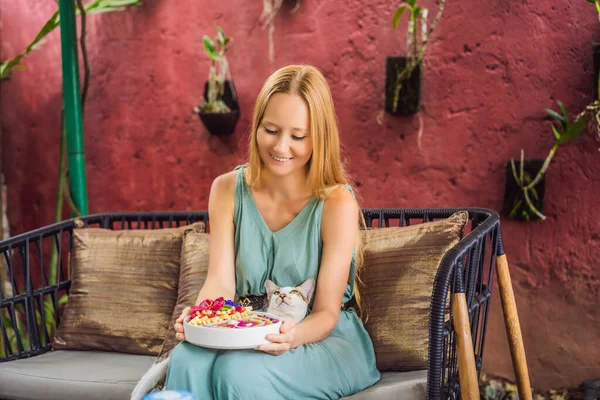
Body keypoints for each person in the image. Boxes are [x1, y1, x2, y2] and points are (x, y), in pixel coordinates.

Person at [166, 64, 381, 399]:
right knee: (185, 360)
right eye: (270, 130)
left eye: (298, 136)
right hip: (246, 330)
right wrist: (201, 318)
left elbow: (325, 313)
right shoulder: (226, 190)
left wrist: (290, 337)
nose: (281, 148)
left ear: (318, 137)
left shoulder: (337, 203)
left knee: (238, 373)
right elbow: (220, 282)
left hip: (319, 336)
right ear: (256, 128)